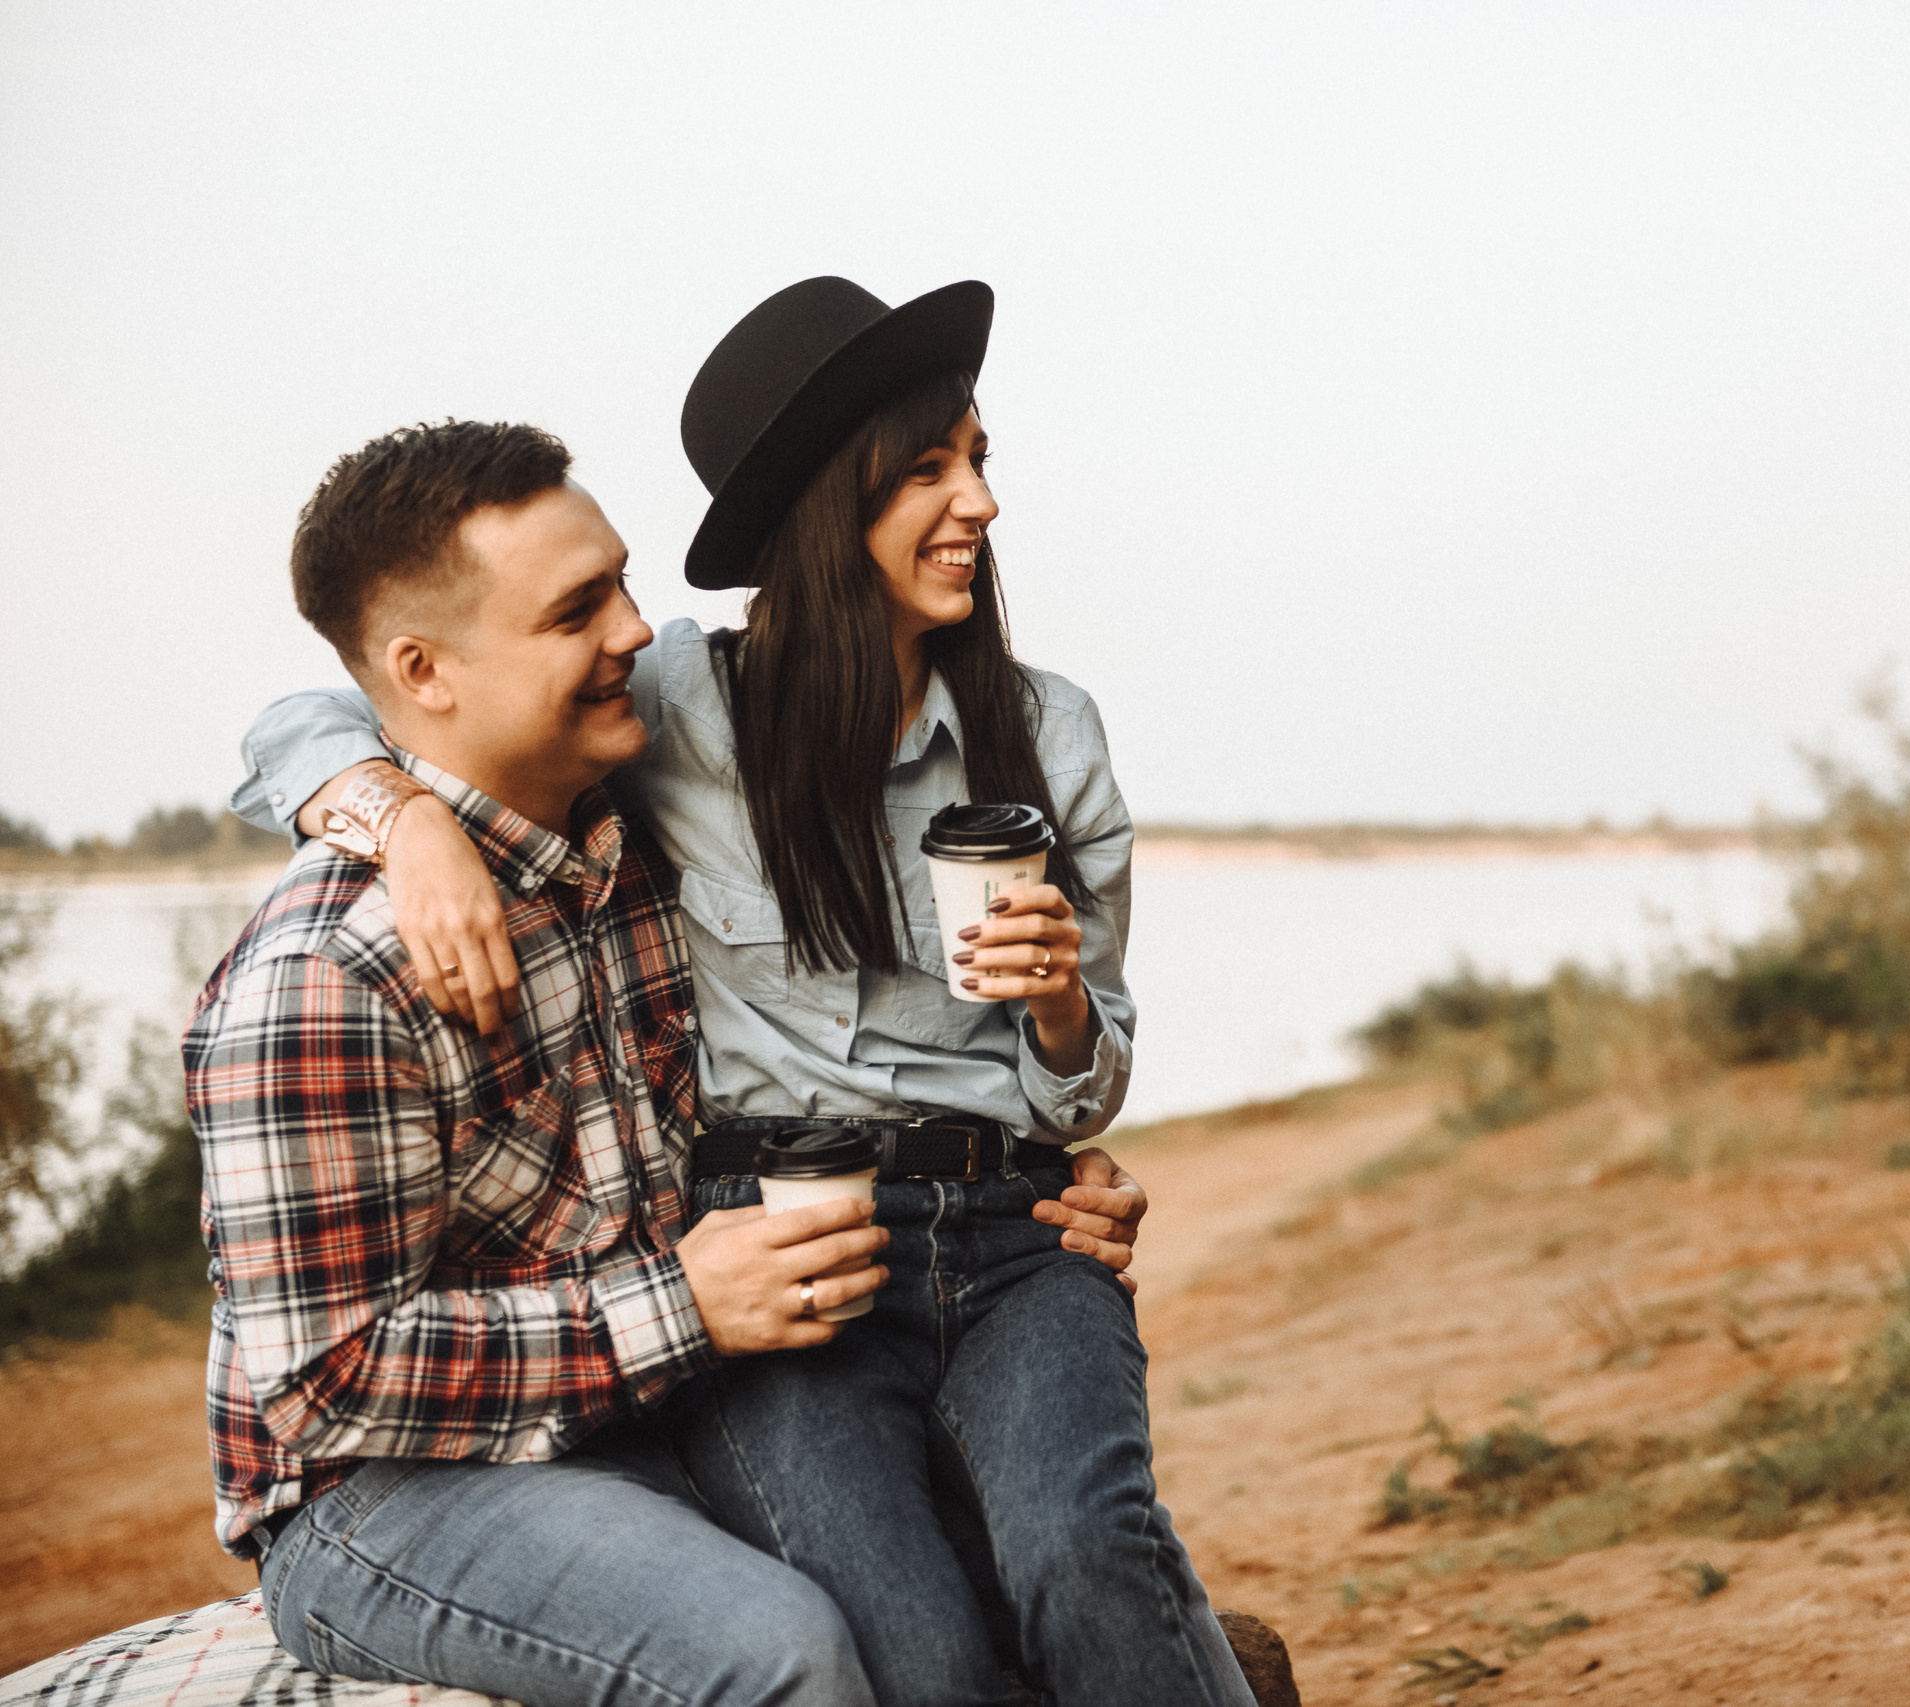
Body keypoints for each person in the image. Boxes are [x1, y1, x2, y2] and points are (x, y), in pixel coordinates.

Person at [235, 280, 1256, 1705]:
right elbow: (340, 702)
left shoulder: (1044, 734)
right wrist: (402, 820)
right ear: (827, 507)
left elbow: (1087, 1081)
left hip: (1009, 1231)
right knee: (904, 1635)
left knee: (1091, 1556)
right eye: (926, 469)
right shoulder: (667, 713)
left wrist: (1062, 1016)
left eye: (978, 458)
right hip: (783, 1247)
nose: (980, 503)